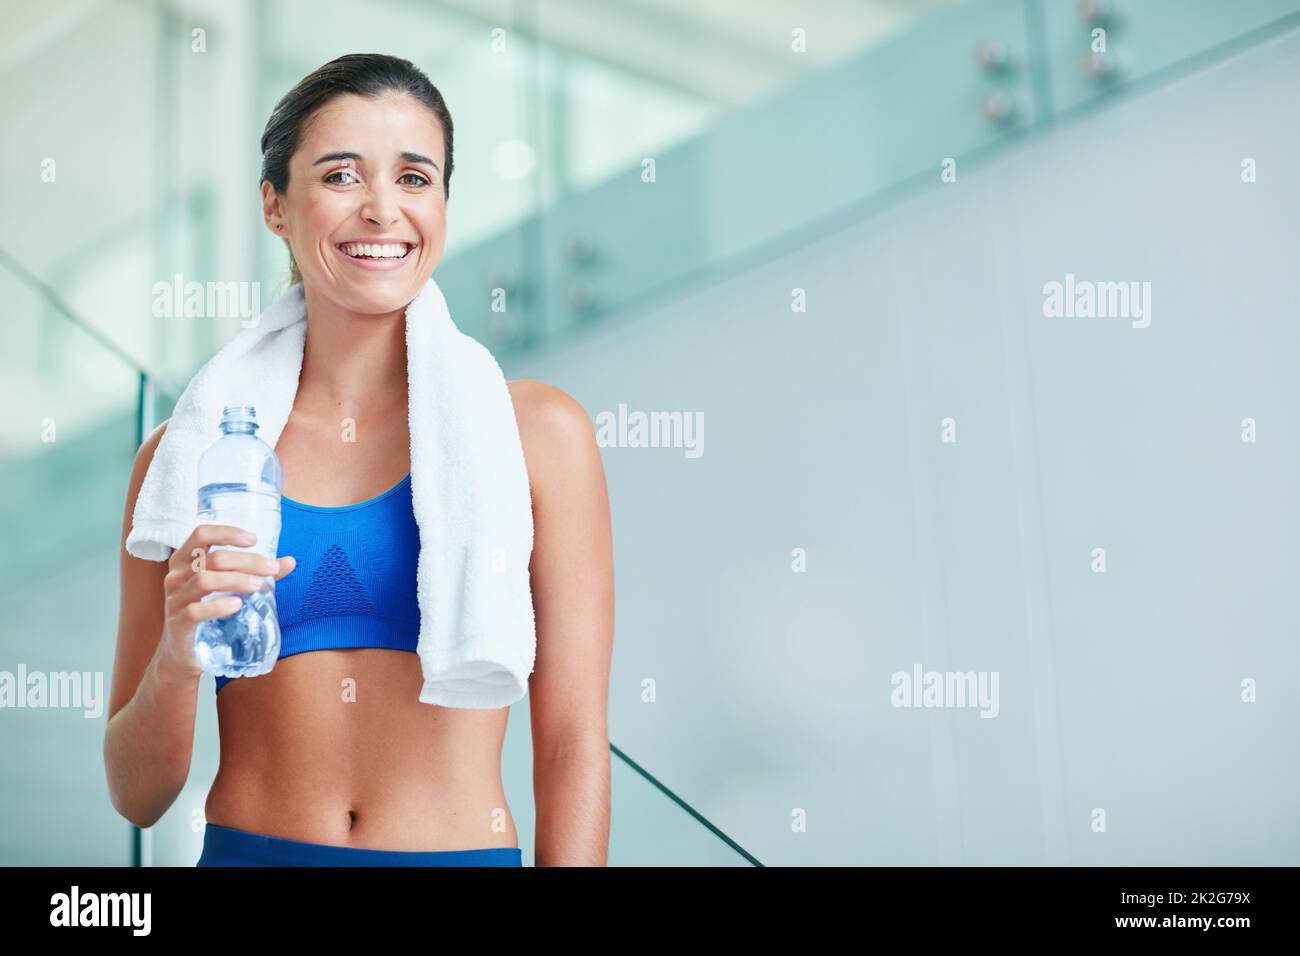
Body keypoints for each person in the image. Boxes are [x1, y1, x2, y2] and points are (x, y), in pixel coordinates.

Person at [103, 53, 614, 866]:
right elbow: (137, 792)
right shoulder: (186, 458)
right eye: (341, 176)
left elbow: (573, 744)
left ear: (443, 201)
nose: (383, 211)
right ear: (275, 204)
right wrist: (177, 652)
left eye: (415, 178)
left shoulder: (535, 435)